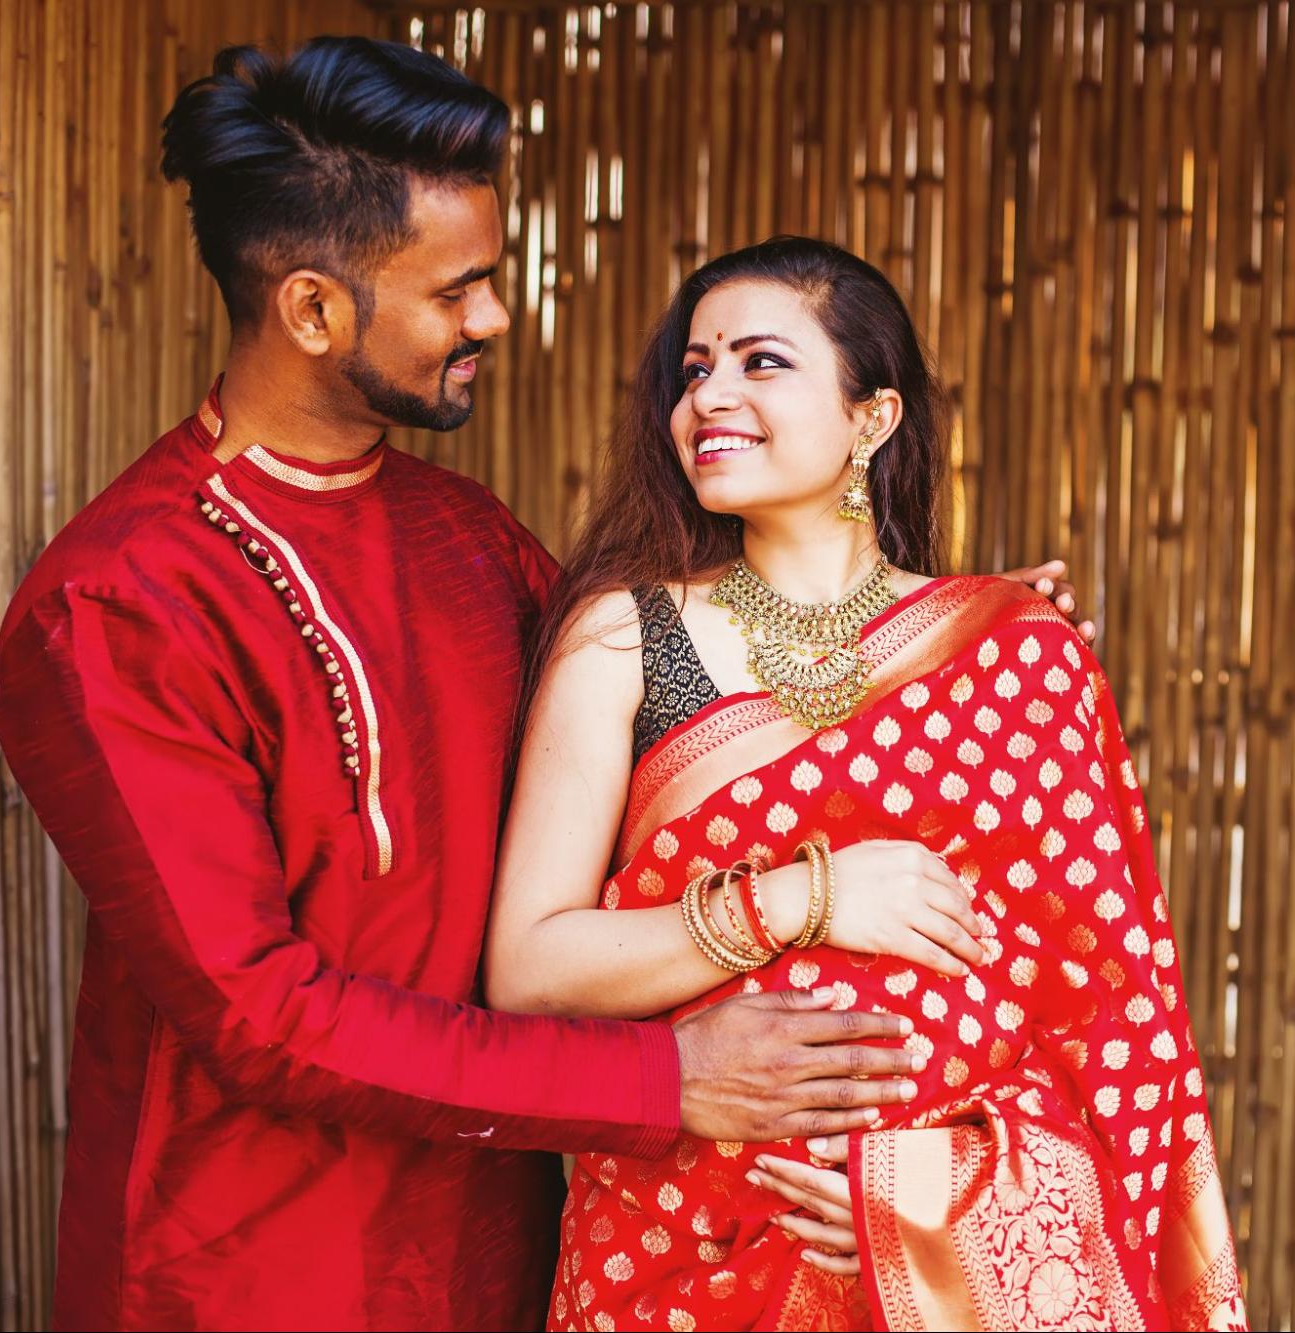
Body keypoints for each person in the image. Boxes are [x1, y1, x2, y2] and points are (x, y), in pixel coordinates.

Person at [0, 42, 976, 1331]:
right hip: (245, 1276)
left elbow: (708, 705)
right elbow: (261, 1014)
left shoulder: (473, 541)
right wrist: (661, 1081)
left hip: (502, 1258)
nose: (495, 318)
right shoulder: (119, 603)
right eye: (459, 288)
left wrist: (946, 626)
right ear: (311, 311)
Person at [485, 237, 1245, 1331]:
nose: (711, 397)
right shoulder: (625, 636)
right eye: (694, 370)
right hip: (678, 1257)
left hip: (953, 1272)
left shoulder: (1014, 648)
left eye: (761, 363)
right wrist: (806, 896)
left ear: (872, 418)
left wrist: (933, 1210)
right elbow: (527, 966)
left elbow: (1105, 1030)